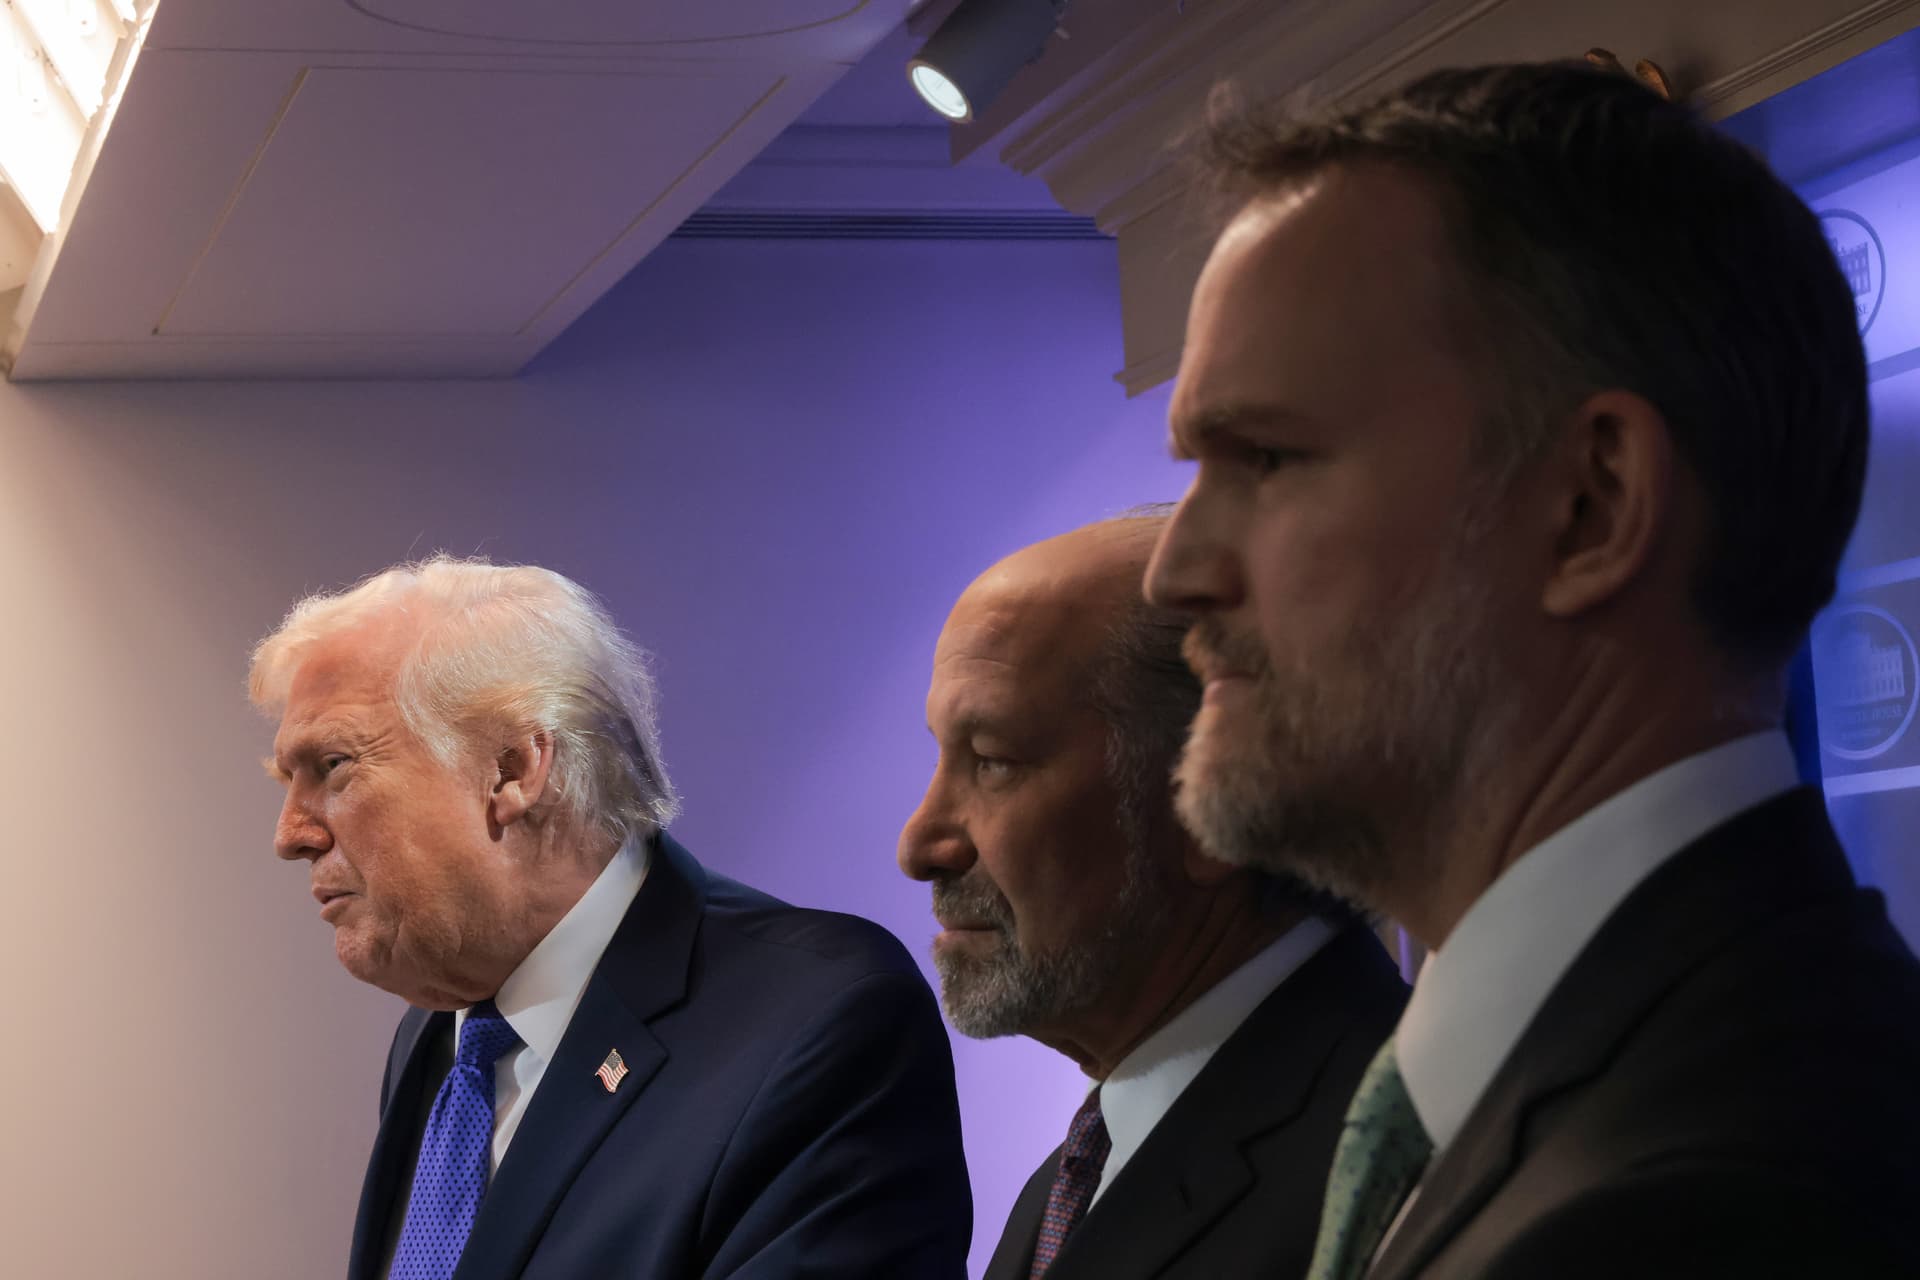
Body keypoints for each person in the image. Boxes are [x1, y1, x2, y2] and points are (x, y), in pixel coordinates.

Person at [1145, 60, 1920, 1279]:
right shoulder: (1655, 1075)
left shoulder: (1709, 1215)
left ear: (1591, 505)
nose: (1173, 570)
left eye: (1268, 459)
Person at [250, 555, 970, 1280]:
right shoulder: (442, 1034)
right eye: (289, 782)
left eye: (333, 766)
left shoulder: (820, 1022)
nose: (291, 834)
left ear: (513, 769)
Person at [899, 515, 1406, 1279]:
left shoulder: (1398, 1160)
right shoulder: (1078, 1178)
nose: (919, 846)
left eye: (992, 762)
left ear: (1210, 799)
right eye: (941, 757)